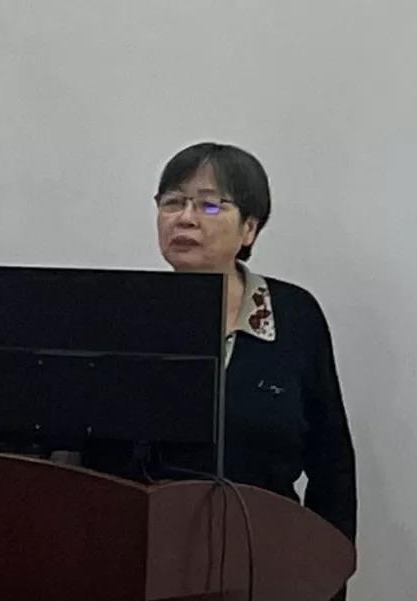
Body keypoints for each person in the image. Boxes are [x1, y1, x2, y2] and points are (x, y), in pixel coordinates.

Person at [155, 142, 356, 598]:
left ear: (249, 228)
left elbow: (332, 462)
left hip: (267, 561)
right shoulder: (129, 315)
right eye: (172, 202)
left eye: (209, 205)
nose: (185, 218)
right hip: (157, 565)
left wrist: (328, 576)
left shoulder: (294, 316)